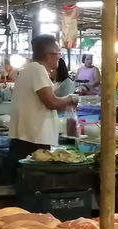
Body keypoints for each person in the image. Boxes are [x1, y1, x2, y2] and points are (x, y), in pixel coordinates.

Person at [9, 35, 77, 163]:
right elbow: (51, 102)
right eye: (58, 53)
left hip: (26, 136)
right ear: (49, 54)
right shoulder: (38, 70)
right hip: (34, 137)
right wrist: (70, 99)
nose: (59, 57)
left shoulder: (28, 69)